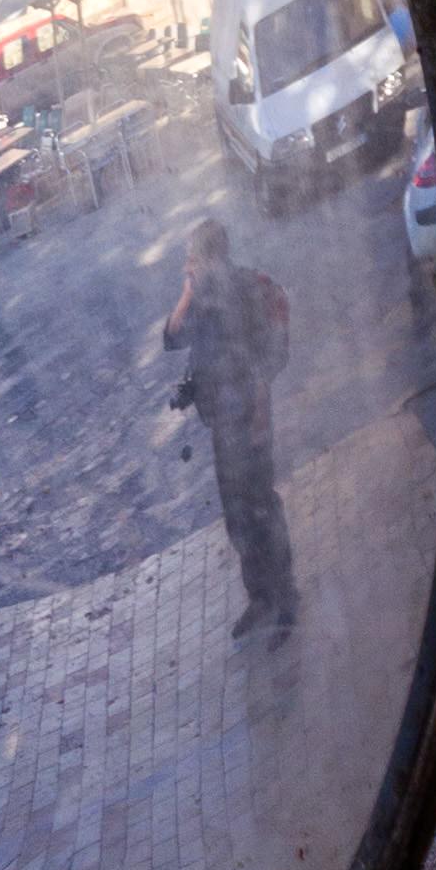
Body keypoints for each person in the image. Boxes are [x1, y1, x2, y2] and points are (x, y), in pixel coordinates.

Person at [163, 215, 297, 641]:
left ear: (209, 258)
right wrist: (187, 292)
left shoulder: (243, 290)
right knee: (238, 514)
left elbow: (266, 354)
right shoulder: (204, 296)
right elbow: (172, 337)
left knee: (262, 509)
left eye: (192, 258)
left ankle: (286, 601)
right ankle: (260, 597)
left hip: (250, 418)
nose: (187, 266)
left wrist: (259, 409)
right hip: (222, 423)